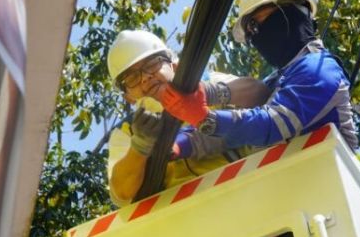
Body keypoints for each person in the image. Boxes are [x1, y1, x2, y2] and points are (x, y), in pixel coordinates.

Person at [159, 0, 358, 237]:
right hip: (286, 227)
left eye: (257, 24)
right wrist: (182, 143)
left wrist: (204, 117)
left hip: (328, 220)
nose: (255, 38)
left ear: (290, 13)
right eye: (248, 32)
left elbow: (273, 123)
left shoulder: (319, 70)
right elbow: (239, 126)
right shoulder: (278, 81)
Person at [106, 30, 270, 206]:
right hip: (184, 219)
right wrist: (140, 146)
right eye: (132, 77)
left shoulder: (205, 83)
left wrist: (209, 93)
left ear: (173, 64)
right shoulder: (127, 133)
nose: (145, 78)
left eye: (152, 64)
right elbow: (122, 192)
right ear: (128, 97)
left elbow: (259, 92)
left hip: (247, 194)